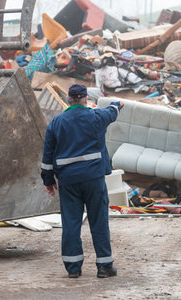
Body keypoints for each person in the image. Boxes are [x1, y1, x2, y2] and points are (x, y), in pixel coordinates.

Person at [40, 84, 123, 278]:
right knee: (99, 222)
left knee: (71, 223)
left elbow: (47, 157)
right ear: (86, 99)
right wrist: (117, 104)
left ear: (69, 100)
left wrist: (48, 181)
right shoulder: (96, 117)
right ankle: (104, 267)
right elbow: (113, 110)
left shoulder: (56, 123)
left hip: (68, 181)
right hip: (93, 179)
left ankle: (73, 268)